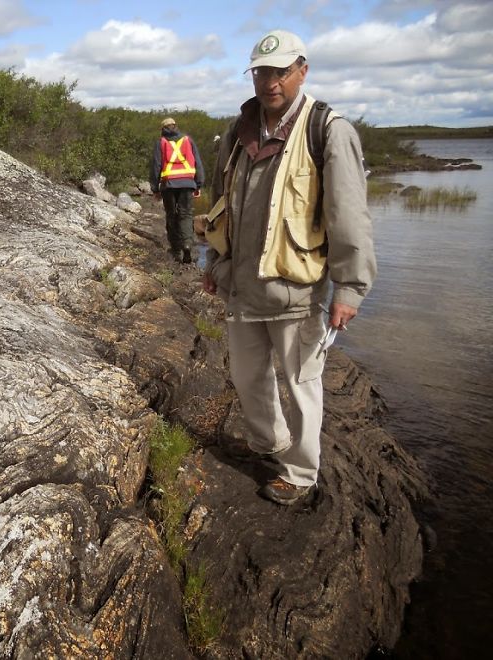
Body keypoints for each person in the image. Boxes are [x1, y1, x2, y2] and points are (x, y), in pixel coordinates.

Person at [202, 29, 376, 505]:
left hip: (296, 290)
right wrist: (214, 260)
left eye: (281, 71)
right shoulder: (238, 131)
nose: (270, 81)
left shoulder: (329, 129)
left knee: (302, 386)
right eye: (262, 72)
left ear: (303, 71)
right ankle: (269, 444)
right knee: (248, 378)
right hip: (241, 286)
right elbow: (220, 204)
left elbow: (348, 214)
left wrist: (349, 288)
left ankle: (300, 472)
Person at [150, 117, 205, 264]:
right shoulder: (188, 140)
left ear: (162, 129)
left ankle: (176, 249)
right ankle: (187, 244)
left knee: (171, 215)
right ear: (176, 126)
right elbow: (197, 162)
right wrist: (198, 184)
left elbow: (156, 166)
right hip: (187, 183)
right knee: (185, 214)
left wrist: (155, 189)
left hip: (168, 184)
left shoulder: (160, 142)